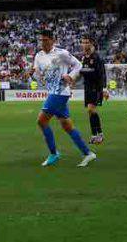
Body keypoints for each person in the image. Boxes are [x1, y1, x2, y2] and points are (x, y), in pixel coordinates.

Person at [32, 31, 96, 168]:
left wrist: (71, 76)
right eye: (41, 40)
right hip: (52, 92)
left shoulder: (61, 53)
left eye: (45, 40)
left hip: (60, 92)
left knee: (41, 121)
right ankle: (88, 153)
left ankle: (53, 153)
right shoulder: (38, 55)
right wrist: (36, 74)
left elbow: (78, 65)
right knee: (67, 126)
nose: (43, 43)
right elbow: (37, 70)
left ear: (52, 40)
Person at [79, 37, 108, 144]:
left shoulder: (96, 57)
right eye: (83, 42)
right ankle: (94, 135)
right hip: (87, 87)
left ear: (91, 44)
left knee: (91, 109)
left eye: (86, 42)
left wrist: (104, 89)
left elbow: (102, 74)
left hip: (96, 87)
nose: (84, 44)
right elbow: (82, 72)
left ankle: (99, 134)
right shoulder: (84, 58)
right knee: (90, 111)